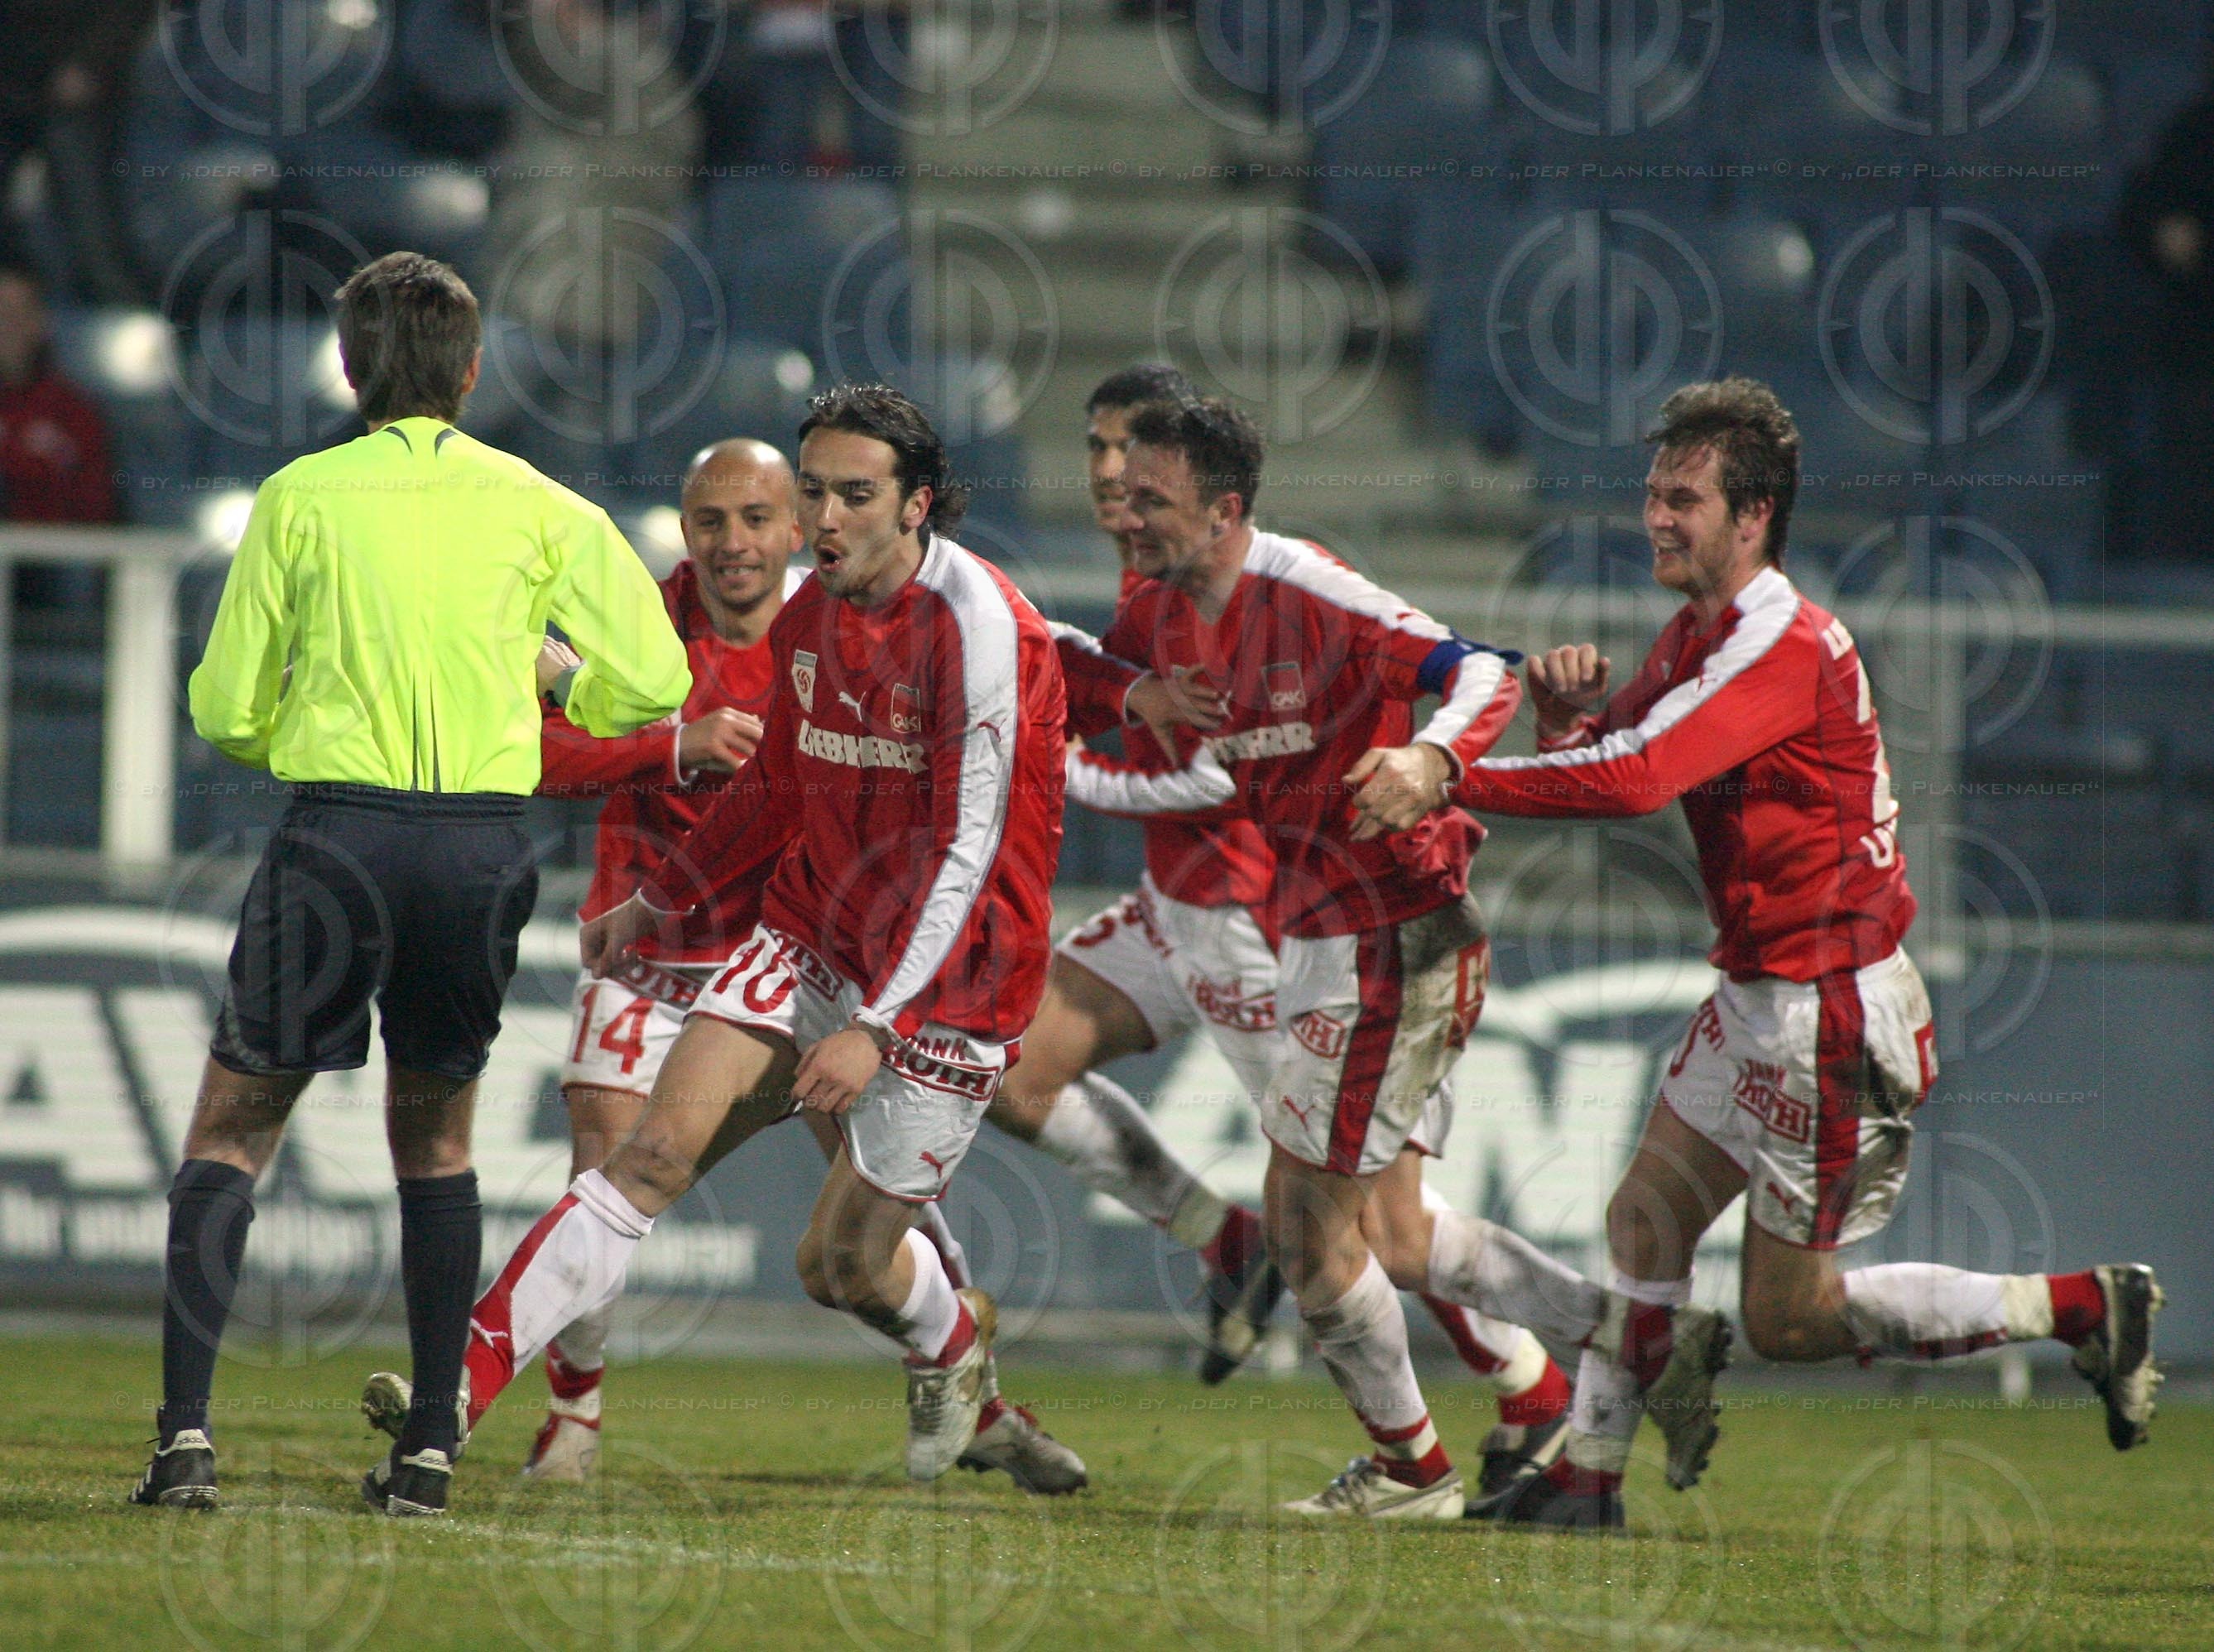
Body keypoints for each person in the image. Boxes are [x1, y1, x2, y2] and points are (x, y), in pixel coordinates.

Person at [1420, 377, 2164, 1529]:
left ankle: (2078, 1307)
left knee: (1791, 1319)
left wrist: (1445, 772)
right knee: (1646, 1220)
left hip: (1831, 1010)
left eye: (1685, 499)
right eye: (1654, 495)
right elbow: (1612, 753)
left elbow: (1635, 783)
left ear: (1754, 514)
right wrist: (1562, 722)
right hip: (1763, 989)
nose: (1658, 518)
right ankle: (1589, 1478)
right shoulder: (1703, 632)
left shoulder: (1781, 645)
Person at [385, 383, 1070, 1496]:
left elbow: (969, 854)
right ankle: (453, 1397)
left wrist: (880, 1031)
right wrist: (657, 899)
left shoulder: (982, 630)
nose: (828, 519)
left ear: (918, 506)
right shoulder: (814, 617)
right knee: (644, 1156)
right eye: (818, 493)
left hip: (951, 987)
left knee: (840, 1267)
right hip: (810, 937)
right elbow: (768, 793)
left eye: (855, 495)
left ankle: (953, 1349)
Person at [129, 251, 691, 1515]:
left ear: (349, 368)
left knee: (233, 1125)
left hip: (341, 836)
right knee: (435, 1136)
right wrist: (559, 690)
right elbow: (656, 681)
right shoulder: (543, 504)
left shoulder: (300, 497)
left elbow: (222, 709)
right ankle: (431, 1450)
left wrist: (308, 739)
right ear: (473, 370)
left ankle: (183, 1447)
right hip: (480, 847)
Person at [1074, 396, 1590, 1520]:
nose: (1118, 495)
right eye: (1104, 465)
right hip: (1293, 931)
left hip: (1363, 934)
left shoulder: (1306, 586)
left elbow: (1482, 672)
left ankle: (1473, 1431)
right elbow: (1056, 678)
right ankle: (1572, 1372)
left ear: (1222, 510)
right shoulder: (1152, 612)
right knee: (1388, 1230)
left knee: (1326, 1227)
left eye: (1144, 483)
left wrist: (1430, 758)